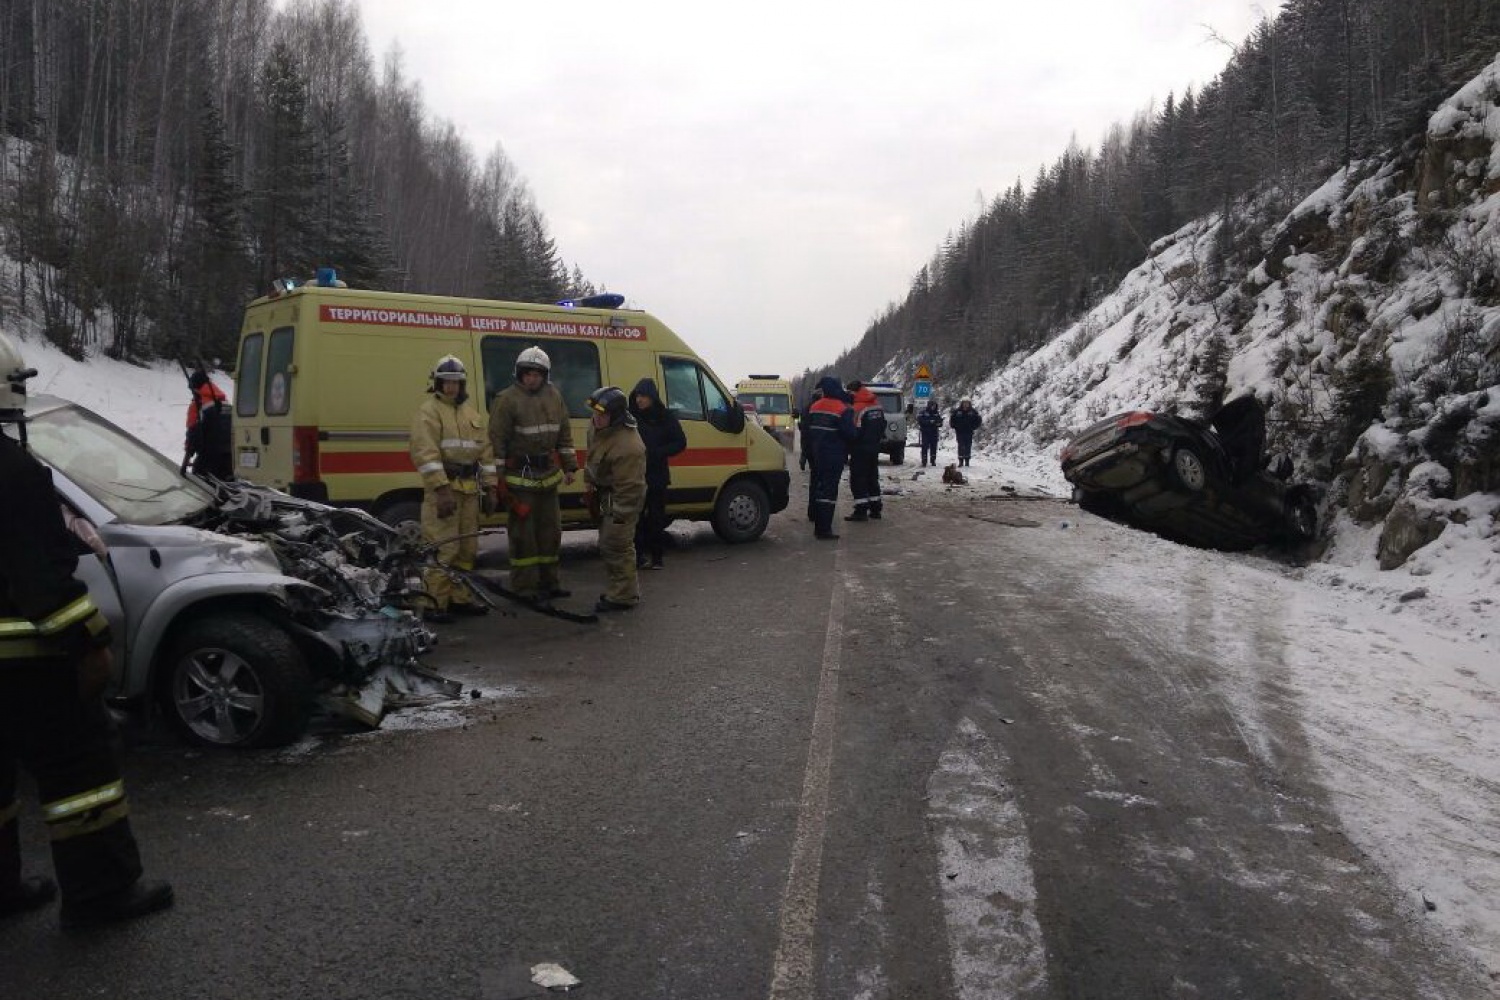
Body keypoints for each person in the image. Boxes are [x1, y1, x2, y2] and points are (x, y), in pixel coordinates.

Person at [0, 332, 173, 930]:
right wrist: (90, 640)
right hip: (27, 663)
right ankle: (101, 895)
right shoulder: (12, 469)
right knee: (80, 772)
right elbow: (41, 579)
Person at [487, 346, 579, 606]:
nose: (532, 378)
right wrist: (499, 480)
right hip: (520, 483)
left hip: (549, 479)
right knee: (523, 538)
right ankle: (524, 588)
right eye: (528, 374)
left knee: (551, 534)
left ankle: (550, 583)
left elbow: (564, 434)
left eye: (537, 374)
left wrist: (570, 466)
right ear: (519, 373)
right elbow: (497, 442)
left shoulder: (555, 397)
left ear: (545, 375)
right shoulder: (506, 400)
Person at [409, 355, 496, 623]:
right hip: (444, 492)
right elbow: (425, 454)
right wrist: (441, 489)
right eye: (446, 382)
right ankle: (434, 603)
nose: (451, 387)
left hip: (469, 490)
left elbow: (486, 453)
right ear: (437, 383)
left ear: (462, 385)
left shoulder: (471, 414)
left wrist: (491, 488)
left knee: (466, 549)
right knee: (442, 548)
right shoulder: (429, 412)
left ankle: (460, 598)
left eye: (455, 383)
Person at [583, 387, 647, 612]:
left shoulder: (629, 446)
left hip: (621, 498)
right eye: (595, 414)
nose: (596, 418)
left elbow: (631, 489)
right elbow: (592, 456)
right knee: (607, 545)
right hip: (604, 494)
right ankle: (617, 589)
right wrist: (588, 482)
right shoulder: (598, 427)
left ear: (616, 416)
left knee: (618, 546)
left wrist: (620, 517)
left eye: (602, 415)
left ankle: (624, 596)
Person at [628, 378, 686, 570]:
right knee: (635, 518)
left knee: (656, 518)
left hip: (657, 475)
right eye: (637, 395)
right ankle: (637, 556)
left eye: (643, 396)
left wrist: (659, 452)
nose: (639, 400)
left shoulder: (664, 416)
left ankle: (657, 557)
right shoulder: (631, 417)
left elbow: (680, 442)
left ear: (652, 397)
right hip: (636, 475)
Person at [801, 376, 856, 540]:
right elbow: (850, 434)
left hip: (817, 455)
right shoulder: (842, 409)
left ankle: (818, 524)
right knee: (829, 493)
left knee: (818, 489)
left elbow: (807, 430)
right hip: (834, 456)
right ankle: (824, 529)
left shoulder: (814, 407)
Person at [182, 366, 233, 480]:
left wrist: (189, 453)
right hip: (230, 456)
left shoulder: (198, 404)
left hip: (210, 455)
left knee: (198, 482)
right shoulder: (225, 403)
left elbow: (193, 433)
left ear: (195, 388)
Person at [845, 383, 886, 522]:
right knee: (872, 477)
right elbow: (883, 425)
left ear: (853, 392)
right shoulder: (876, 405)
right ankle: (876, 509)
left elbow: (854, 432)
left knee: (858, 479)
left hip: (860, 449)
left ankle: (861, 510)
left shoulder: (858, 408)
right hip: (874, 447)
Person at [950, 399, 983, 467]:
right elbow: (952, 420)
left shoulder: (973, 411)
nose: (965, 404)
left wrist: (974, 427)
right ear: (962, 403)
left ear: (969, 404)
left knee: (968, 446)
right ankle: (961, 461)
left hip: (969, 432)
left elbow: (978, 420)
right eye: (964, 403)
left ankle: (967, 461)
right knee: (961, 445)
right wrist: (955, 426)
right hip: (960, 432)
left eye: (967, 403)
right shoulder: (957, 411)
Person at [797, 385, 822, 472]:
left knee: (806, 450)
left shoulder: (807, 406)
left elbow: (802, 421)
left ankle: (803, 458)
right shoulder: (819, 406)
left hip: (806, 433)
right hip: (815, 435)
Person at [917, 400, 943, 467]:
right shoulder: (923, 412)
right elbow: (920, 421)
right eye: (932, 406)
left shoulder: (936, 413)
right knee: (925, 446)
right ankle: (924, 460)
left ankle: (933, 460)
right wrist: (929, 422)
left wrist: (938, 423)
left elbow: (940, 422)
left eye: (934, 406)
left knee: (933, 447)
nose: (933, 407)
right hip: (925, 432)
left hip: (934, 432)